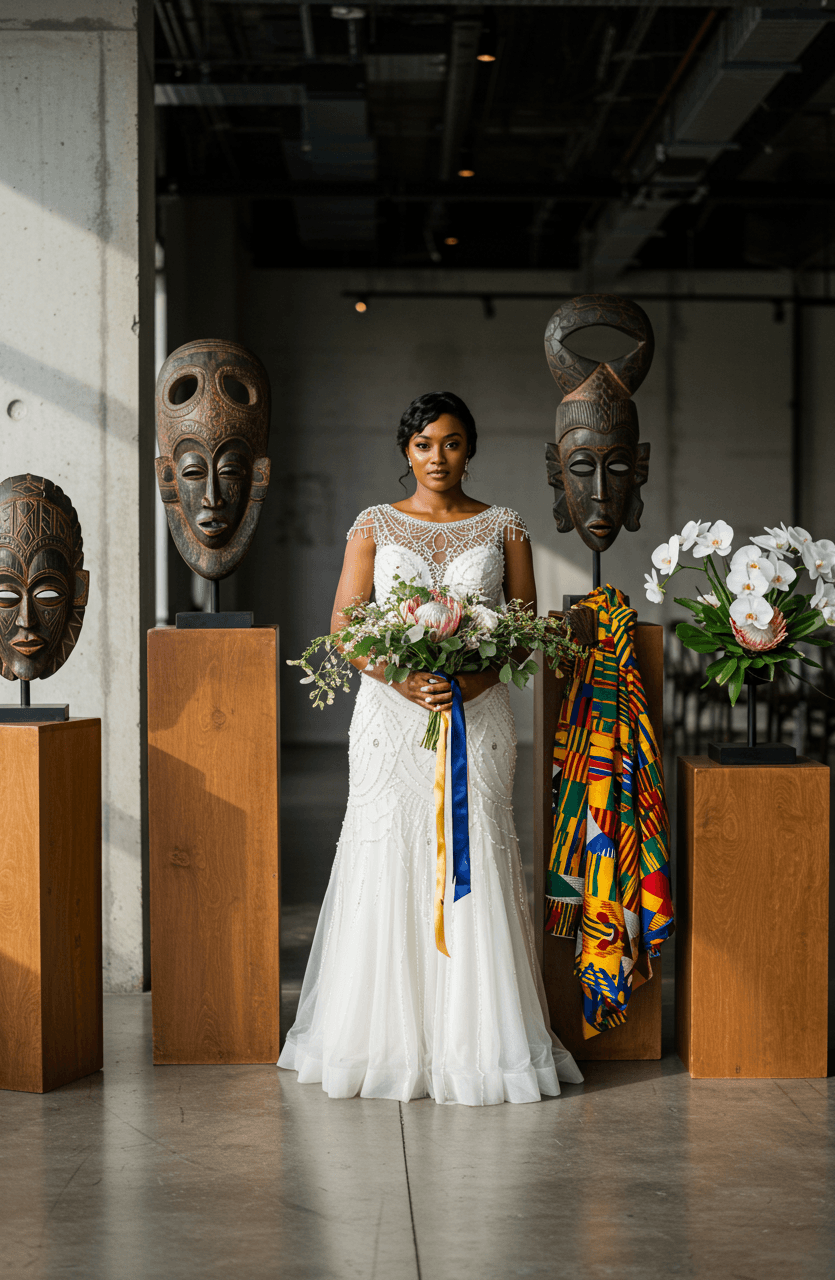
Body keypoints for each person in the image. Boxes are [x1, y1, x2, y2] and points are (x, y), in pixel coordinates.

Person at [278, 392, 583, 1105]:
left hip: (478, 715)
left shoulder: (504, 525)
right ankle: (384, 1040)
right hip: (391, 718)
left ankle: (478, 1042)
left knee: (475, 845)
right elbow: (347, 624)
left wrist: (468, 683)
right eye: (423, 444)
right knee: (388, 851)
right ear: (405, 451)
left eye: (450, 443)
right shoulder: (373, 526)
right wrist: (405, 680)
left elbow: (524, 626)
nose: (437, 457)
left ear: (469, 448)